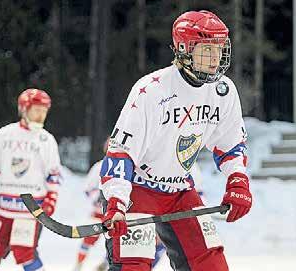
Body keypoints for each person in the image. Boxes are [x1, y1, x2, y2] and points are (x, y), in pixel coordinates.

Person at [99, 10, 252, 271]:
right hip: (138, 188)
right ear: (184, 49)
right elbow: (121, 152)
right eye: (206, 49)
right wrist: (116, 202)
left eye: (219, 49)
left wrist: (238, 179)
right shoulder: (151, 90)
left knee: (211, 264)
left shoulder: (223, 91)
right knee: (133, 266)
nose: (215, 58)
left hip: (179, 189)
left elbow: (230, 144)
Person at [0, 88, 61, 271]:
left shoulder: (46, 140)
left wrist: (52, 198)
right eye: (37, 110)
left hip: (30, 211)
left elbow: (54, 174)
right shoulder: (5, 135)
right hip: (5, 209)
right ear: (23, 109)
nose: (40, 116)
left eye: (44, 112)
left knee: (24, 252)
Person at [74, 139, 109, 271]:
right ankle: (78, 265)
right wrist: (98, 197)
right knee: (88, 239)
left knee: (117, 242)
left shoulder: (125, 166)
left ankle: (105, 264)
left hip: (115, 213)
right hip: (98, 213)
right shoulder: (99, 166)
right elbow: (87, 188)